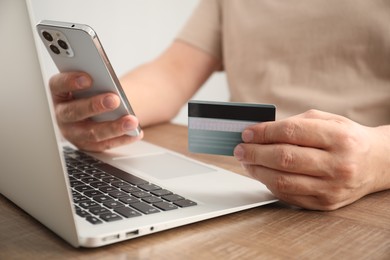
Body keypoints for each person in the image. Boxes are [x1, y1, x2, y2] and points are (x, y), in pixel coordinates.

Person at [49, 0, 390, 211]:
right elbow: (172, 73)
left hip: (369, 201)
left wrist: (376, 161)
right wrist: (101, 109)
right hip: (240, 182)